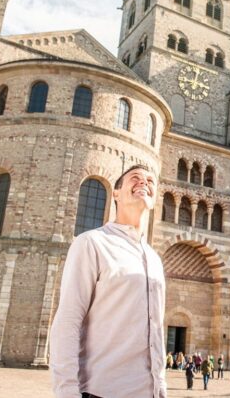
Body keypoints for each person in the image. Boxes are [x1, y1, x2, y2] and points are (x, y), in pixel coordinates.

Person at [50, 165, 167, 398]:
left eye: (151, 181)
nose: (144, 182)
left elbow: (156, 333)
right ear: (115, 193)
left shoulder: (154, 259)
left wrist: (161, 387)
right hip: (102, 391)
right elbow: (68, 320)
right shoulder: (92, 243)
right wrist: (67, 392)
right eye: (135, 178)